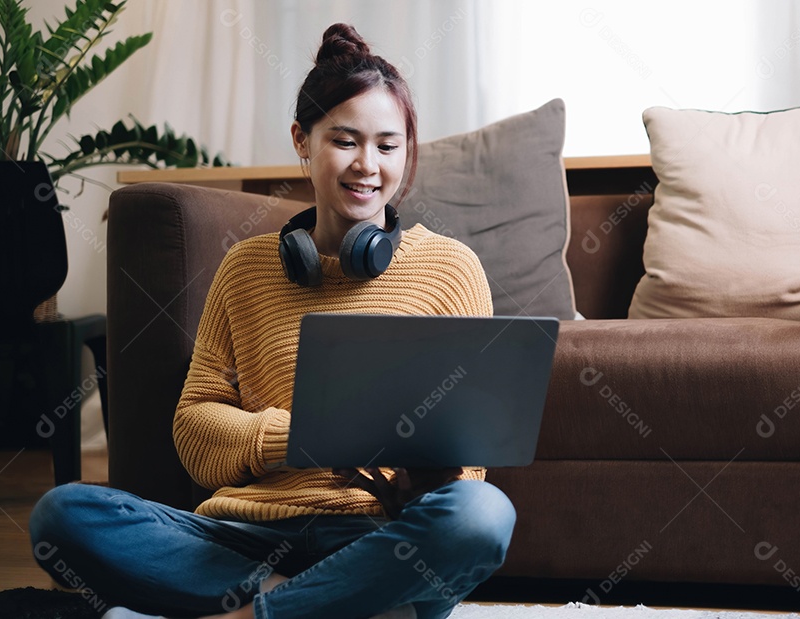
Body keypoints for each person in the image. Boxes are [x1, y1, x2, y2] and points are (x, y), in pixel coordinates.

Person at [29, 23, 515, 619]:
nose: (368, 165)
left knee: (483, 513)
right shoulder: (246, 268)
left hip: (378, 539)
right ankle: (325, 606)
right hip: (246, 540)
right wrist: (297, 436)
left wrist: (424, 480)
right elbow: (194, 431)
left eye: (389, 146)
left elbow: (470, 461)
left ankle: (256, 612)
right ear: (302, 141)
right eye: (345, 140)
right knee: (63, 515)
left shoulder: (450, 269)